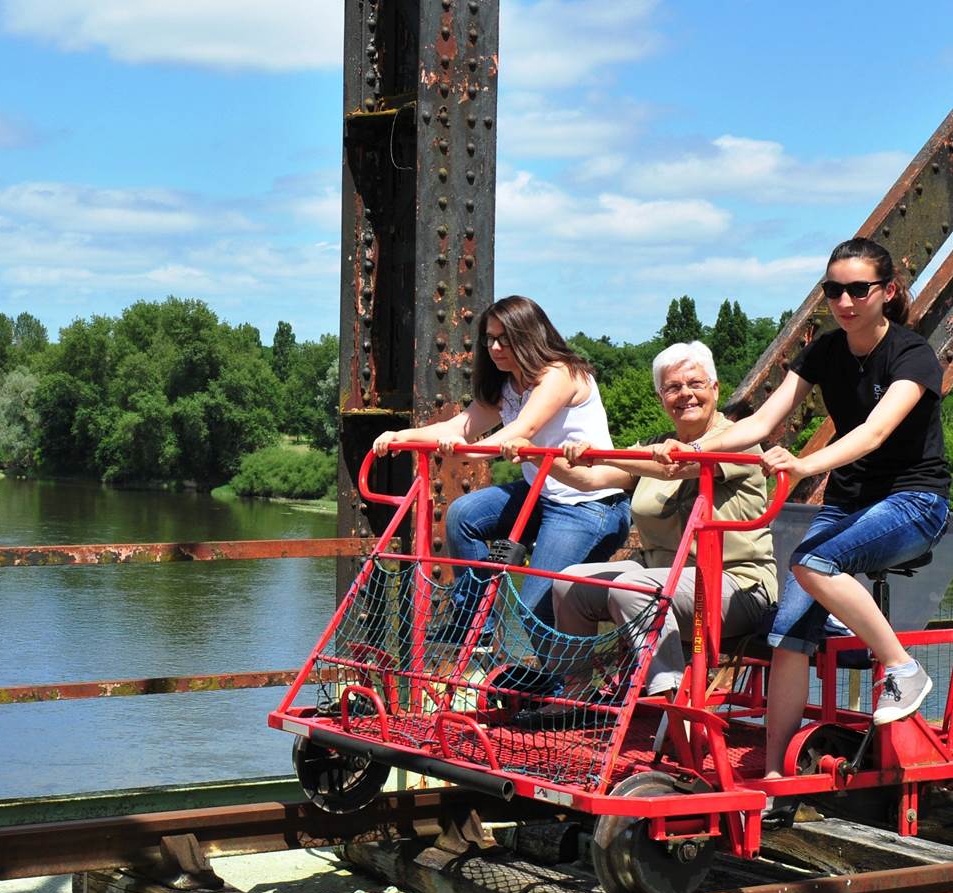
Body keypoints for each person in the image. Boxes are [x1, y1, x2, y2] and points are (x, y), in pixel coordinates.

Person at [665, 238, 949, 776]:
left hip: (913, 502)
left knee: (813, 563)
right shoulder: (824, 351)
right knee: (787, 636)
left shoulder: (911, 355)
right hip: (847, 506)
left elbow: (875, 432)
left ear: (887, 292)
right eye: (833, 290)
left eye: (858, 289)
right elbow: (760, 423)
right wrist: (692, 448)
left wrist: (804, 465)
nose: (844, 301)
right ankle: (776, 773)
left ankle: (902, 668)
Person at [371, 295, 631, 629]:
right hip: (543, 494)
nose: (494, 348)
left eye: (504, 339)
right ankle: (475, 625)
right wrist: (402, 435)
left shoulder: (562, 374)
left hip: (587, 505)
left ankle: (563, 667)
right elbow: (460, 426)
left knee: (535, 610)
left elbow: (524, 429)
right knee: (464, 515)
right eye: (489, 339)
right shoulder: (508, 386)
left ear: (528, 336)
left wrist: (467, 452)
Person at [543, 341, 777, 698]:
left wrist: (602, 455)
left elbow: (676, 468)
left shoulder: (735, 440)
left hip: (735, 584)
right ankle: (574, 699)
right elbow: (589, 480)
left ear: (715, 389)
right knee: (569, 583)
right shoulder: (656, 445)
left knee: (633, 591)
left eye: (695, 384)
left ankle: (671, 699)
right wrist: (541, 452)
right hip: (660, 572)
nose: (685, 394)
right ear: (660, 398)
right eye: (673, 387)